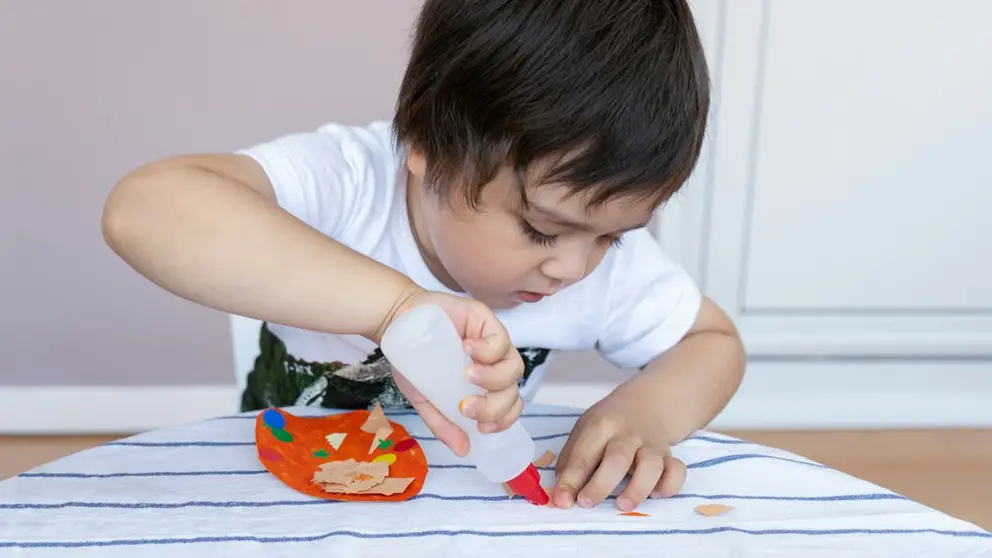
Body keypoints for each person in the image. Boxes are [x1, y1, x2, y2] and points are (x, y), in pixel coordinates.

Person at [101, 0, 745, 513]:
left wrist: (644, 413)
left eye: (613, 237)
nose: (575, 270)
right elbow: (144, 209)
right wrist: (395, 310)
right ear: (425, 146)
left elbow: (713, 342)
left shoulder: (599, 266)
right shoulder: (349, 185)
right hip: (276, 496)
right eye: (541, 231)